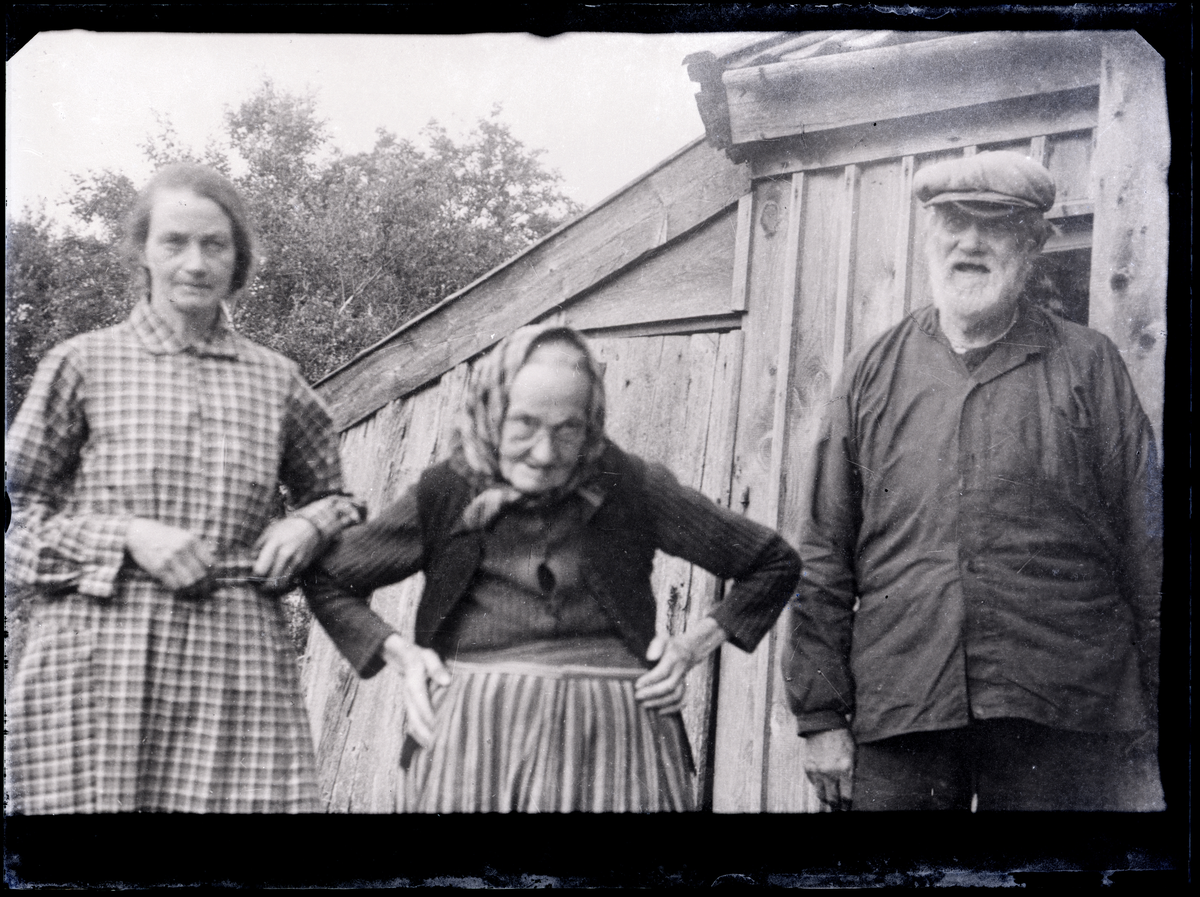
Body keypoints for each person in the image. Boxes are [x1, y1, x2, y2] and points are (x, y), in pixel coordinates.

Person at [783, 151, 1163, 812]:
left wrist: (1161, 705)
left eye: (995, 225)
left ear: (1031, 246)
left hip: (1062, 708)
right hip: (905, 705)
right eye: (954, 222)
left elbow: (1150, 545)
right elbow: (821, 553)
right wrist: (820, 716)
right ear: (930, 237)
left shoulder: (1088, 365)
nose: (970, 242)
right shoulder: (871, 372)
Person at [302, 324, 801, 812]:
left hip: (619, 740)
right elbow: (328, 576)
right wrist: (404, 657)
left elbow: (772, 562)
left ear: (591, 422)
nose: (544, 454)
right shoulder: (445, 492)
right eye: (524, 424)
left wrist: (690, 648)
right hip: (474, 738)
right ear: (492, 411)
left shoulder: (630, 485)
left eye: (568, 430)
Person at [5, 163, 363, 813]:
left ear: (237, 258)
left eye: (214, 244)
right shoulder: (83, 363)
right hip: (96, 669)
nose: (194, 263)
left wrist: (310, 523)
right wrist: (128, 536)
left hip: (236, 669)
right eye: (174, 241)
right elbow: (17, 520)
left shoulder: (275, 380)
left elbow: (336, 498)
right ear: (142, 251)